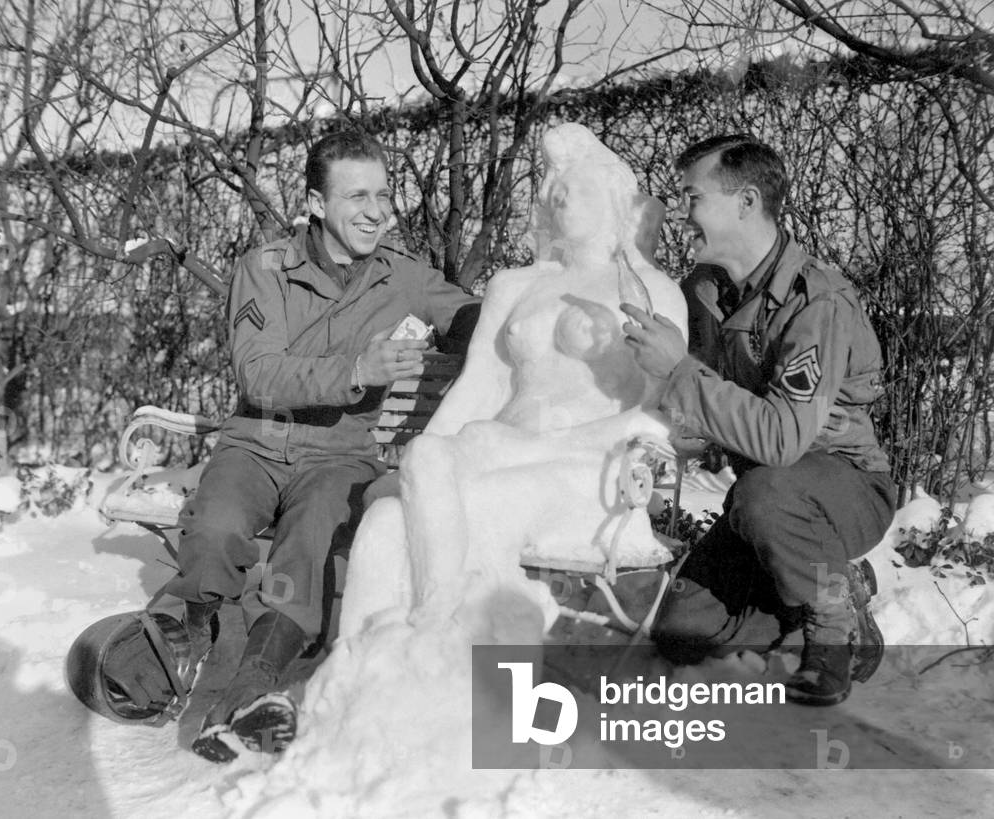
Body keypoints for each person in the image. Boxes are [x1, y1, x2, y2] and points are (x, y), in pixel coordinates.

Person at [163, 130, 480, 762]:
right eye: (356, 196)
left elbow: (480, 318)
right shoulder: (264, 269)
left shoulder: (406, 277)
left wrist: (509, 319)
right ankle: (191, 640)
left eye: (384, 195)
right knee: (215, 533)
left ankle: (253, 688)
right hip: (255, 443)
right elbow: (259, 373)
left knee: (306, 552)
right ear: (315, 202)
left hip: (339, 455)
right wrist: (357, 367)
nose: (376, 211)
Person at [338, 123, 687, 643]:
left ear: (617, 200)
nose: (563, 194)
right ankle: (360, 670)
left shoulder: (649, 291)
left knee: (477, 506)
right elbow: (477, 387)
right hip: (495, 450)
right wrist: (436, 449)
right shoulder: (515, 287)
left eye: (580, 184)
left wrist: (534, 445)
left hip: (588, 471)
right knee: (388, 519)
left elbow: (654, 415)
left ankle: (446, 644)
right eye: (556, 185)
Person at [621, 134, 896, 706]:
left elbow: (780, 440)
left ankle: (830, 636)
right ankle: (837, 587)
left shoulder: (817, 303)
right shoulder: (704, 292)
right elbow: (705, 396)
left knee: (766, 492)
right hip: (763, 501)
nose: (683, 213)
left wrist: (679, 372)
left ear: (746, 202)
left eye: (694, 197)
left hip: (841, 487)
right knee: (683, 632)